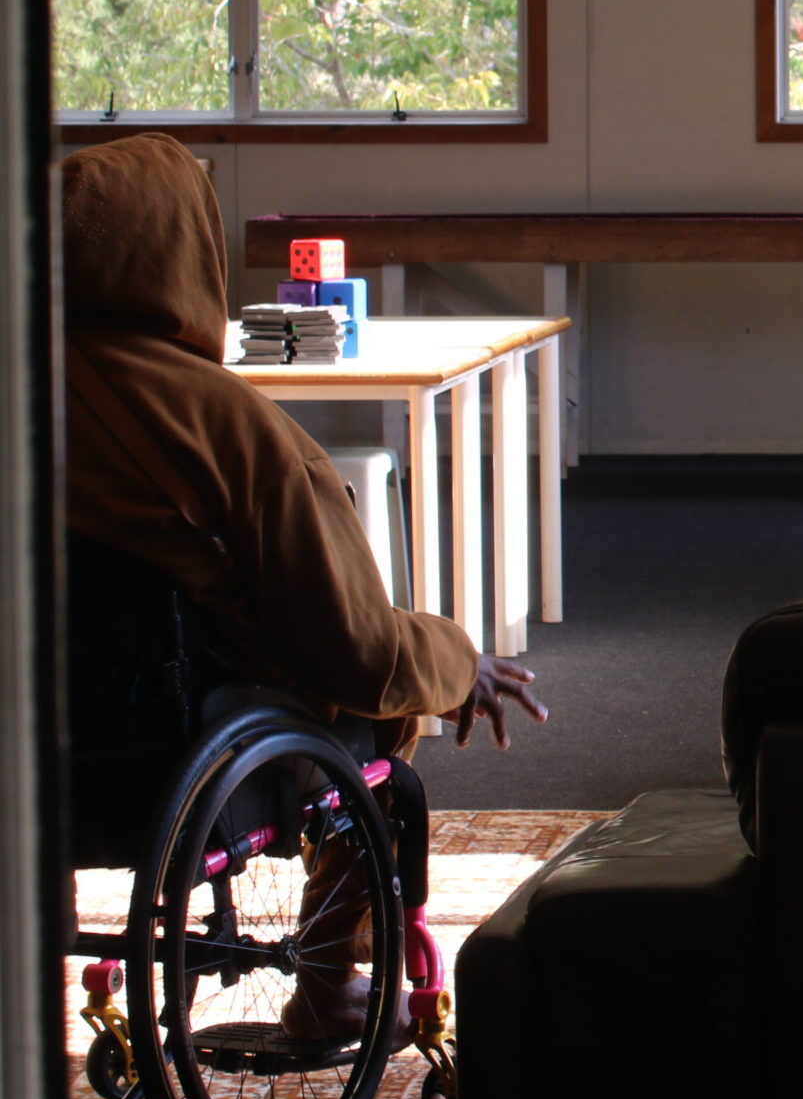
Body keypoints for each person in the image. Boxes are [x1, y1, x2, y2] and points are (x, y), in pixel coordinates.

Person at [61, 133, 548, 1039]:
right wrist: (457, 661)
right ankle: (326, 987)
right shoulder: (224, 427)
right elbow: (354, 649)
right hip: (169, 752)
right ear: (182, 253)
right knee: (377, 733)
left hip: (40, 760)